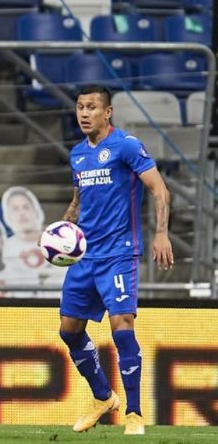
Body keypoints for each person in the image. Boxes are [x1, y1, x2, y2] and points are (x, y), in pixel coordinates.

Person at [58, 85, 173, 436]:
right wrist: (60, 231)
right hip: (85, 259)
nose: (84, 113)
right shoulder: (77, 154)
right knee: (69, 331)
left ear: (107, 112)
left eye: (91, 107)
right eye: (80, 107)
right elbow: (79, 202)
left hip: (119, 254)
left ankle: (134, 413)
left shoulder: (126, 146)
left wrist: (161, 233)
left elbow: (159, 189)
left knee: (122, 325)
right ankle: (103, 397)